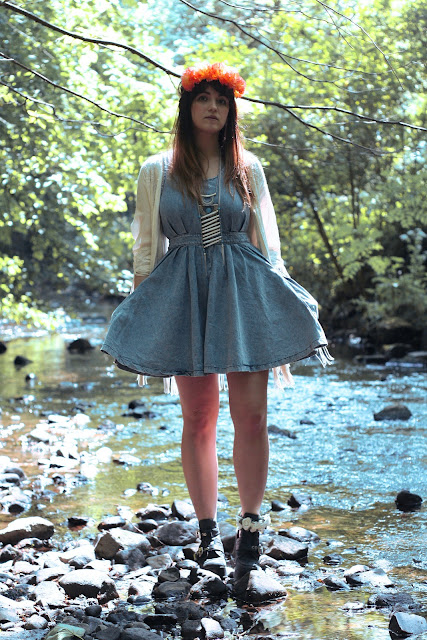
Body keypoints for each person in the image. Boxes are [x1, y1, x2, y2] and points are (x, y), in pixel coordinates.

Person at [101, 61, 332, 581]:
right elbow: (145, 250)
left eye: (222, 101)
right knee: (199, 418)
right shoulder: (156, 169)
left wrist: (281, 312)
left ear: (231, 111)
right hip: (182, 296)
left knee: (250, 416)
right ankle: (208, 532)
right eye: (203, 99)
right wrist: (146, 320)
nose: (213, 107)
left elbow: (268, 246)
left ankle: (250, 529)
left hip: (244, 294)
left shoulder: (248, 168)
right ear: (187, 108)